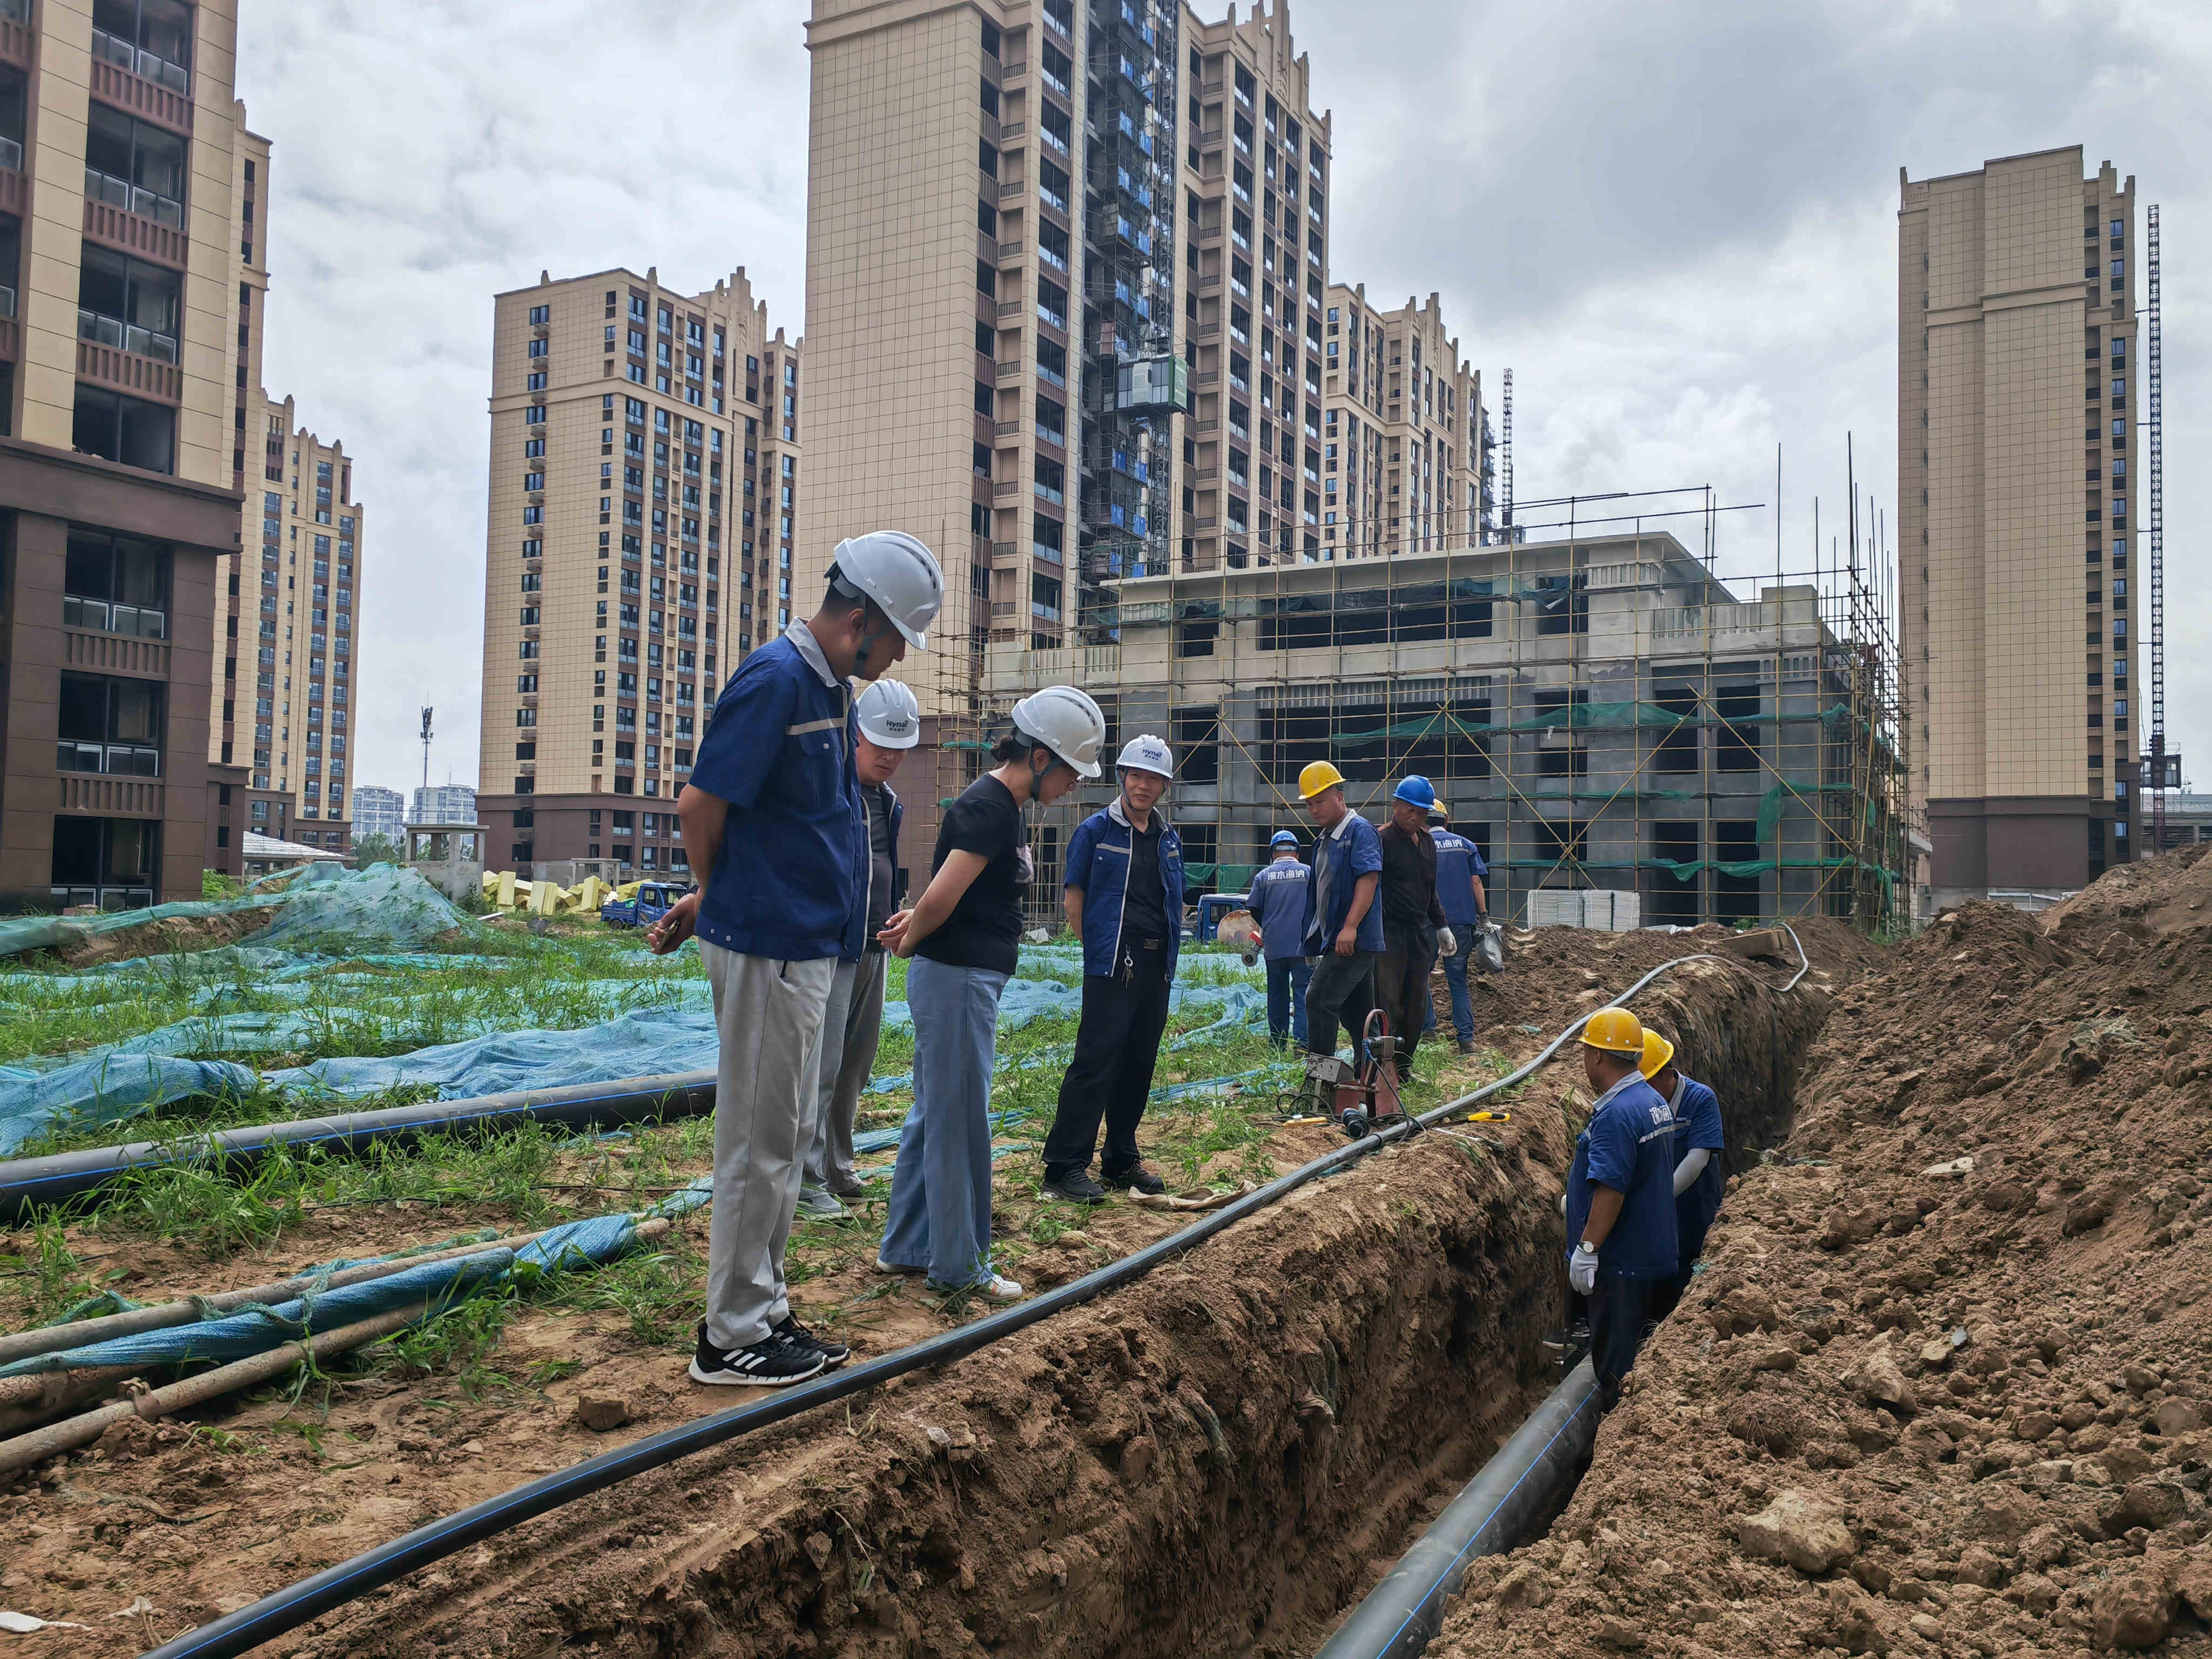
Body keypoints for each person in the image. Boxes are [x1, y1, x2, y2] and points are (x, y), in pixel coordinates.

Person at [650, 530, 943, 1387]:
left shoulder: (825, 688)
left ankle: (763, 1308)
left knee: (785, 1135)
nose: (892, 662)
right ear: (861, 619)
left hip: (807, 948)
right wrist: (724, 897)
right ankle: (730, 1333)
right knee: (757, 1140)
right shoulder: (777, 679)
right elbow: (701, 805)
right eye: (893, 643)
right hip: (770, 945)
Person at [876, 686, 1105, 1295]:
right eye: (1073, 770)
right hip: (957, 979)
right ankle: (958, 1267)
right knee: (960, 1123)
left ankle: (907, 1246)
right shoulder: (991, 808)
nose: (1077, 783)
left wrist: (914, 922)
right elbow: (946, 894)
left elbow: (948, 893)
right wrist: (914, 935)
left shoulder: (1002, 806)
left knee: (935, 1115)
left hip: (960, 975)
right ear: (1039, 757)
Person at [1041, 734, 1185, 1203]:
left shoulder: (1168, 839)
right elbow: (1074, 902)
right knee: (1096, 1060)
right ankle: (1065, 1166)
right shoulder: (1095, 831)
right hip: (1111, 963)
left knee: (1139, 1062)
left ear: (1164, 785)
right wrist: (1100, 953)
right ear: (1123, 777)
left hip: (1155, 962)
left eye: (1154, 779)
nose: (1143, 786)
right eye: (1136, 776)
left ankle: (1121, 1159)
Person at [794, 678, 916, 1219]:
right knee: (819, 1066)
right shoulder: (831, 790)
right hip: (831, 947)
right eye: (880, 744)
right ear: (855, 735)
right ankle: (805, 1178)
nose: (890, 757)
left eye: (899, 747)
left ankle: (838, 1163)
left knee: (855, 1064)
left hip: (874, 944)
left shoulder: (887, 802)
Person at [1562, 1006, 1679, 1410]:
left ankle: (1617, 1436)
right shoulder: (1649, 1098)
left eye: (1585, 1053)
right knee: (1642, 1359)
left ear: (1597, 1056)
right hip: (1651, 1254)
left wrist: (1587, 1250)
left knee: (1618, 1373)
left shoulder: (1616, 1113)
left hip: (1622, 1267)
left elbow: (1612, 1189)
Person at [1294, 761, 1384, 1092]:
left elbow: (1369, 878)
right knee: (1358, 1014)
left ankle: (1320, 1083)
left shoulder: (1358, 831)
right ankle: (1375, 1078)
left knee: (1318, 1000)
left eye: (1320, 800)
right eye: (1309, 803)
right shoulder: (1325, 839)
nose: (1313, 809)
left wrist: (1350, 927)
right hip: (1339, 938)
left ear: (1339, 796)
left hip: (1355, 939)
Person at [1637, 1030, 1727, 1320]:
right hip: (1653, 1212)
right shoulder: (1638, 1107)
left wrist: (1653, 1202)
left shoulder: (1699, 1099)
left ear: (1664, 1074)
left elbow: (1697, 1159)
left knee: (1687, 1271)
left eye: (1645, 1084)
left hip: (1694, 1207)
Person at [1374, 776, 1455, 1081]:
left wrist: (1441, 925)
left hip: (1417, 933)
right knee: (1388, 1001)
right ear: (1395, 806)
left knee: (1416, 1003)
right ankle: (1384, 1069)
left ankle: (1405, 1067)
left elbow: (1429, 889)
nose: (1415, 816)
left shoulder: (1428, 842)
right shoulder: (1381, 839)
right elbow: (1369, 885)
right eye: (1409, 809)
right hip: (1388, 934)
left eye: (1421, 812)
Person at [1240, 831, 1313, 1048]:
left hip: (1274, 948)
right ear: (1297, 853)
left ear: (1272, 853)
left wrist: (1271, 928)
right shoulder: (1309, 873)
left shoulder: (1264, 876)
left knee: (1277, 996)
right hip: (1303, 946)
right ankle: (1303, 1045)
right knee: (1303, 995)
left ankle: (1278, 1044)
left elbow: (1253, 908)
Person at [1428, 804, 1489, 1056]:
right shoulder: (1465, 845)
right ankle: (1466, 1041)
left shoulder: (1417, 844)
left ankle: (1427, 1034)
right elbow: (1476, 882)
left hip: (1427, 923)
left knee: (1421, 980)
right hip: (1461, 923)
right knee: (1458, 983)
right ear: (1447, 820)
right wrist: (1484, 917)